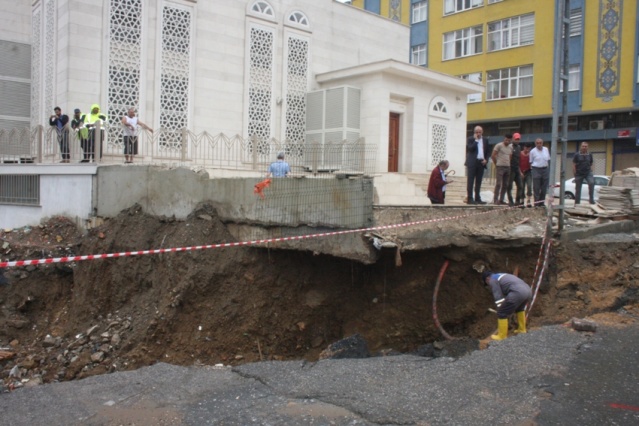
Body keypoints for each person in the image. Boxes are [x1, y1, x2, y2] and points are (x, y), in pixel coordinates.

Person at [481, 271, 532, 340]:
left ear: (487, 279)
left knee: (502, 313)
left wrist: (500, 309)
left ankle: (502, 336)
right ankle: (522, 329)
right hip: (528, 291)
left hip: (517, 292)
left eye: (487, 284)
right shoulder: (501, 275)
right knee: (520, 309)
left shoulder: (492, 280)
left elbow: (498, 296)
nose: (489, 285)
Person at [465, 126, 491, 205]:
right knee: (471, 181)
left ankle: (477, 198)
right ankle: (470, 198)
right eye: (477, 132)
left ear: (482, 132)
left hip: (481, 162)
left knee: (478, 181)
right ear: (474, 132)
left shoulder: (485, 140)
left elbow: (487, 151)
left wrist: (486, 159)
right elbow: (470, 148)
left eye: (480, 132)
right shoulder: (470, 139)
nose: (478, 134)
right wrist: (476, 140)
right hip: (472, 162)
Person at [491, 134, 513, 205]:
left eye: (509, 140)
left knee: (505, 184)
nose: (507, 141)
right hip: (500, 166)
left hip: (507, 167)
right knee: (498, 184)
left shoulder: (510, 147)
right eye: (506, 140)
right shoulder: (499, 145)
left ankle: (501, 199)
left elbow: (510, 156)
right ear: (504, 139)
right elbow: (493, 155)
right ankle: (495, 199)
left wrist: (508, 163)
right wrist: (496, 163)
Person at [529, 138, 550, 207]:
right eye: (537, 143)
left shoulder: (546, 149)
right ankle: (536, 203)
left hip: (545, 169)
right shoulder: (532, 151)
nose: (539, 144)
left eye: (540, 143)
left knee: (544, 187)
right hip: (536, 169)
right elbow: (530, 162)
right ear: (535, 144)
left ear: (542, 143)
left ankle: (542, 203)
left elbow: (548, 159)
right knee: (536, 187)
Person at [506, 132, 523, 206]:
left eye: (518, 139)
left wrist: (520, 171)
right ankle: (510, 200)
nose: (517, 140)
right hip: (511, 168)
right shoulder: (510, 146)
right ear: (513, 139)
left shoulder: (519, 147)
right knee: (509, 185)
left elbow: (518, 160)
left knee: (520, 185)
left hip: (517, 168)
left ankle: (517, 200)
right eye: (516, 139)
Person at [519, 143, 533, 207]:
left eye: (529, 149)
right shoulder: (520, 154)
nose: (527, 150)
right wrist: (520, 172)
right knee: (522, 186)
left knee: (529, 185)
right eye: (526, 148)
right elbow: (517, 164)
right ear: (524, 147)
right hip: (521, 171)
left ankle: (529, 200)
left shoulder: (531, 155)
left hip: (528, 172)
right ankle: (521, 200)